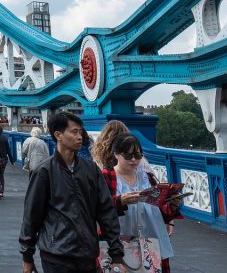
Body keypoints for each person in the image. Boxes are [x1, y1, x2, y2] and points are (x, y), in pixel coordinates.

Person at [19, 111, 125, 273]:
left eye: (80, 131)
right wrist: (27, 256)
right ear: (58, 135)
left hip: (87, 254)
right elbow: (32, 216)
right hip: (56, 254)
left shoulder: (91, 170)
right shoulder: (44, 171)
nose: (80, 136)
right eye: (74, 131)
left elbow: (106, 211)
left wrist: (116, 254)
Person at [102, 133, 179, 273]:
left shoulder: (147, 177)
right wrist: (120, 201)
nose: (133, 160)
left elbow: (159, 207)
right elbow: (98, 208)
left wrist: (172, 204)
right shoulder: (106, 177)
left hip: (151, 238)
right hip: (118, 241)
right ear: (116, 154)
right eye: (128, 156)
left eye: (138, 156)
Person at [0, 122, 15, 199]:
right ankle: (2, 192)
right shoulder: (4, 138)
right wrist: (12, 160)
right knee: (1, 174)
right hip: (4, 159)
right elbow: (8, 150)